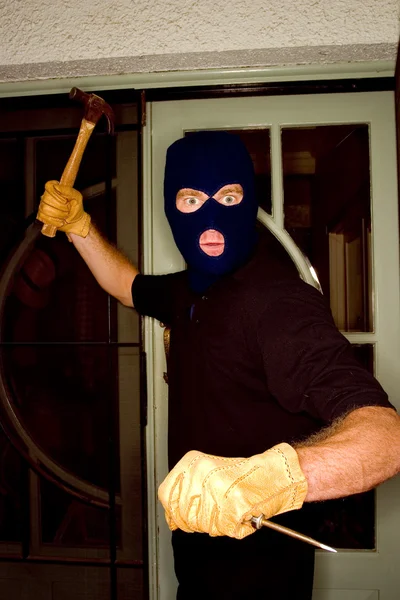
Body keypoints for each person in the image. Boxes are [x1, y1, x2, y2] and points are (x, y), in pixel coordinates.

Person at [37, 131, 400, 599]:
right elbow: (126, 285)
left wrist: (269, 480)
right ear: (172, 208)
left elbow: (384, 438)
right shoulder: (189, 288)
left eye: (228, 196)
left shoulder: (279, 302)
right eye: (191, 199)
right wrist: (78, 227)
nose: (211, 218)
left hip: (263, 572)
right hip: (198, 558)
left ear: (248, 200)